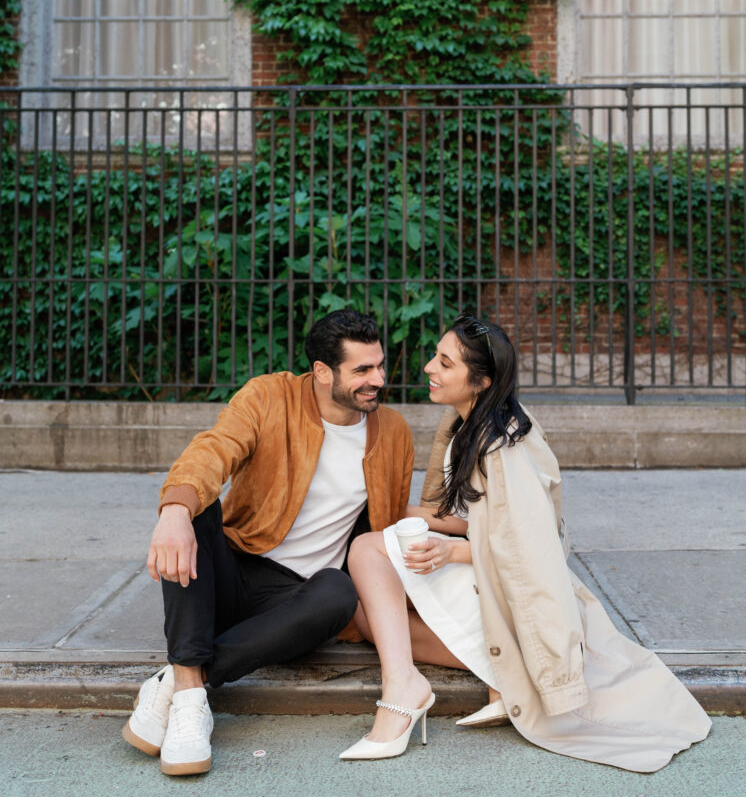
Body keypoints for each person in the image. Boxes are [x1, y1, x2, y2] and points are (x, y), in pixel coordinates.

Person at [341, 315, 711, 772]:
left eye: (444, 362)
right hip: (488, 578)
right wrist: (407, 515)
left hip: (512, 591)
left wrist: (452, 551)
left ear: (480, 381)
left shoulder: (503, 445)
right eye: (435, 357)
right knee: (364, 612)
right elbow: (481, 517)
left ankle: (402, 691)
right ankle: (503, 673)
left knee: (366, 552)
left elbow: (528, 546)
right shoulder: (467, 425)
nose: (428, 368)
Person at [122, 308, 414, 776]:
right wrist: (175, 509)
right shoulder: (269, 397)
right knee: (198, 506)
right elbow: (213, 449)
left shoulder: (393, 432)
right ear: (322, 372)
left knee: (339, 591)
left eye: (380, 365)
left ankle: (181, 682)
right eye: (362, 370)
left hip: (293, 601)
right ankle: (192, 708)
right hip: (233, 569)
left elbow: (388, 521)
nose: (377, 379)